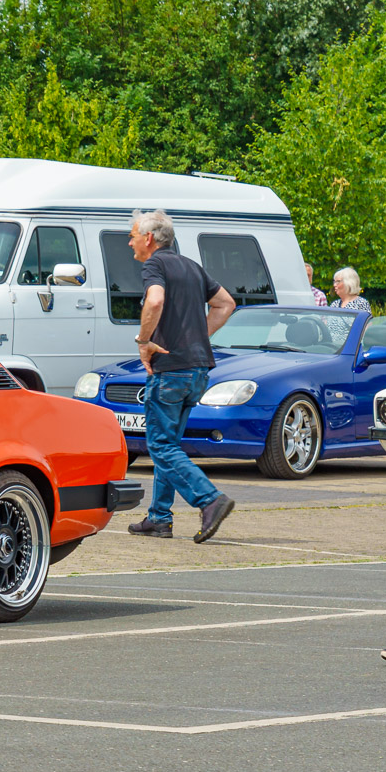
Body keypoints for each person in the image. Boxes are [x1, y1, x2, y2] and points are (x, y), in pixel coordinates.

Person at [126, 209, 239, 543]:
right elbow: (226, 304)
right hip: (198, 369)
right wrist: (196, 338)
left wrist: (144, 341)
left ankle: (209, 499)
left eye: (132, 235)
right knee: (170, 445)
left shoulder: (155, 265)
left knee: (160, 445)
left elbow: (155, 301)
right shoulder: (191, 266)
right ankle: (159, 518)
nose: (130, 242)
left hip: (171, 371)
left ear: (149, 238)